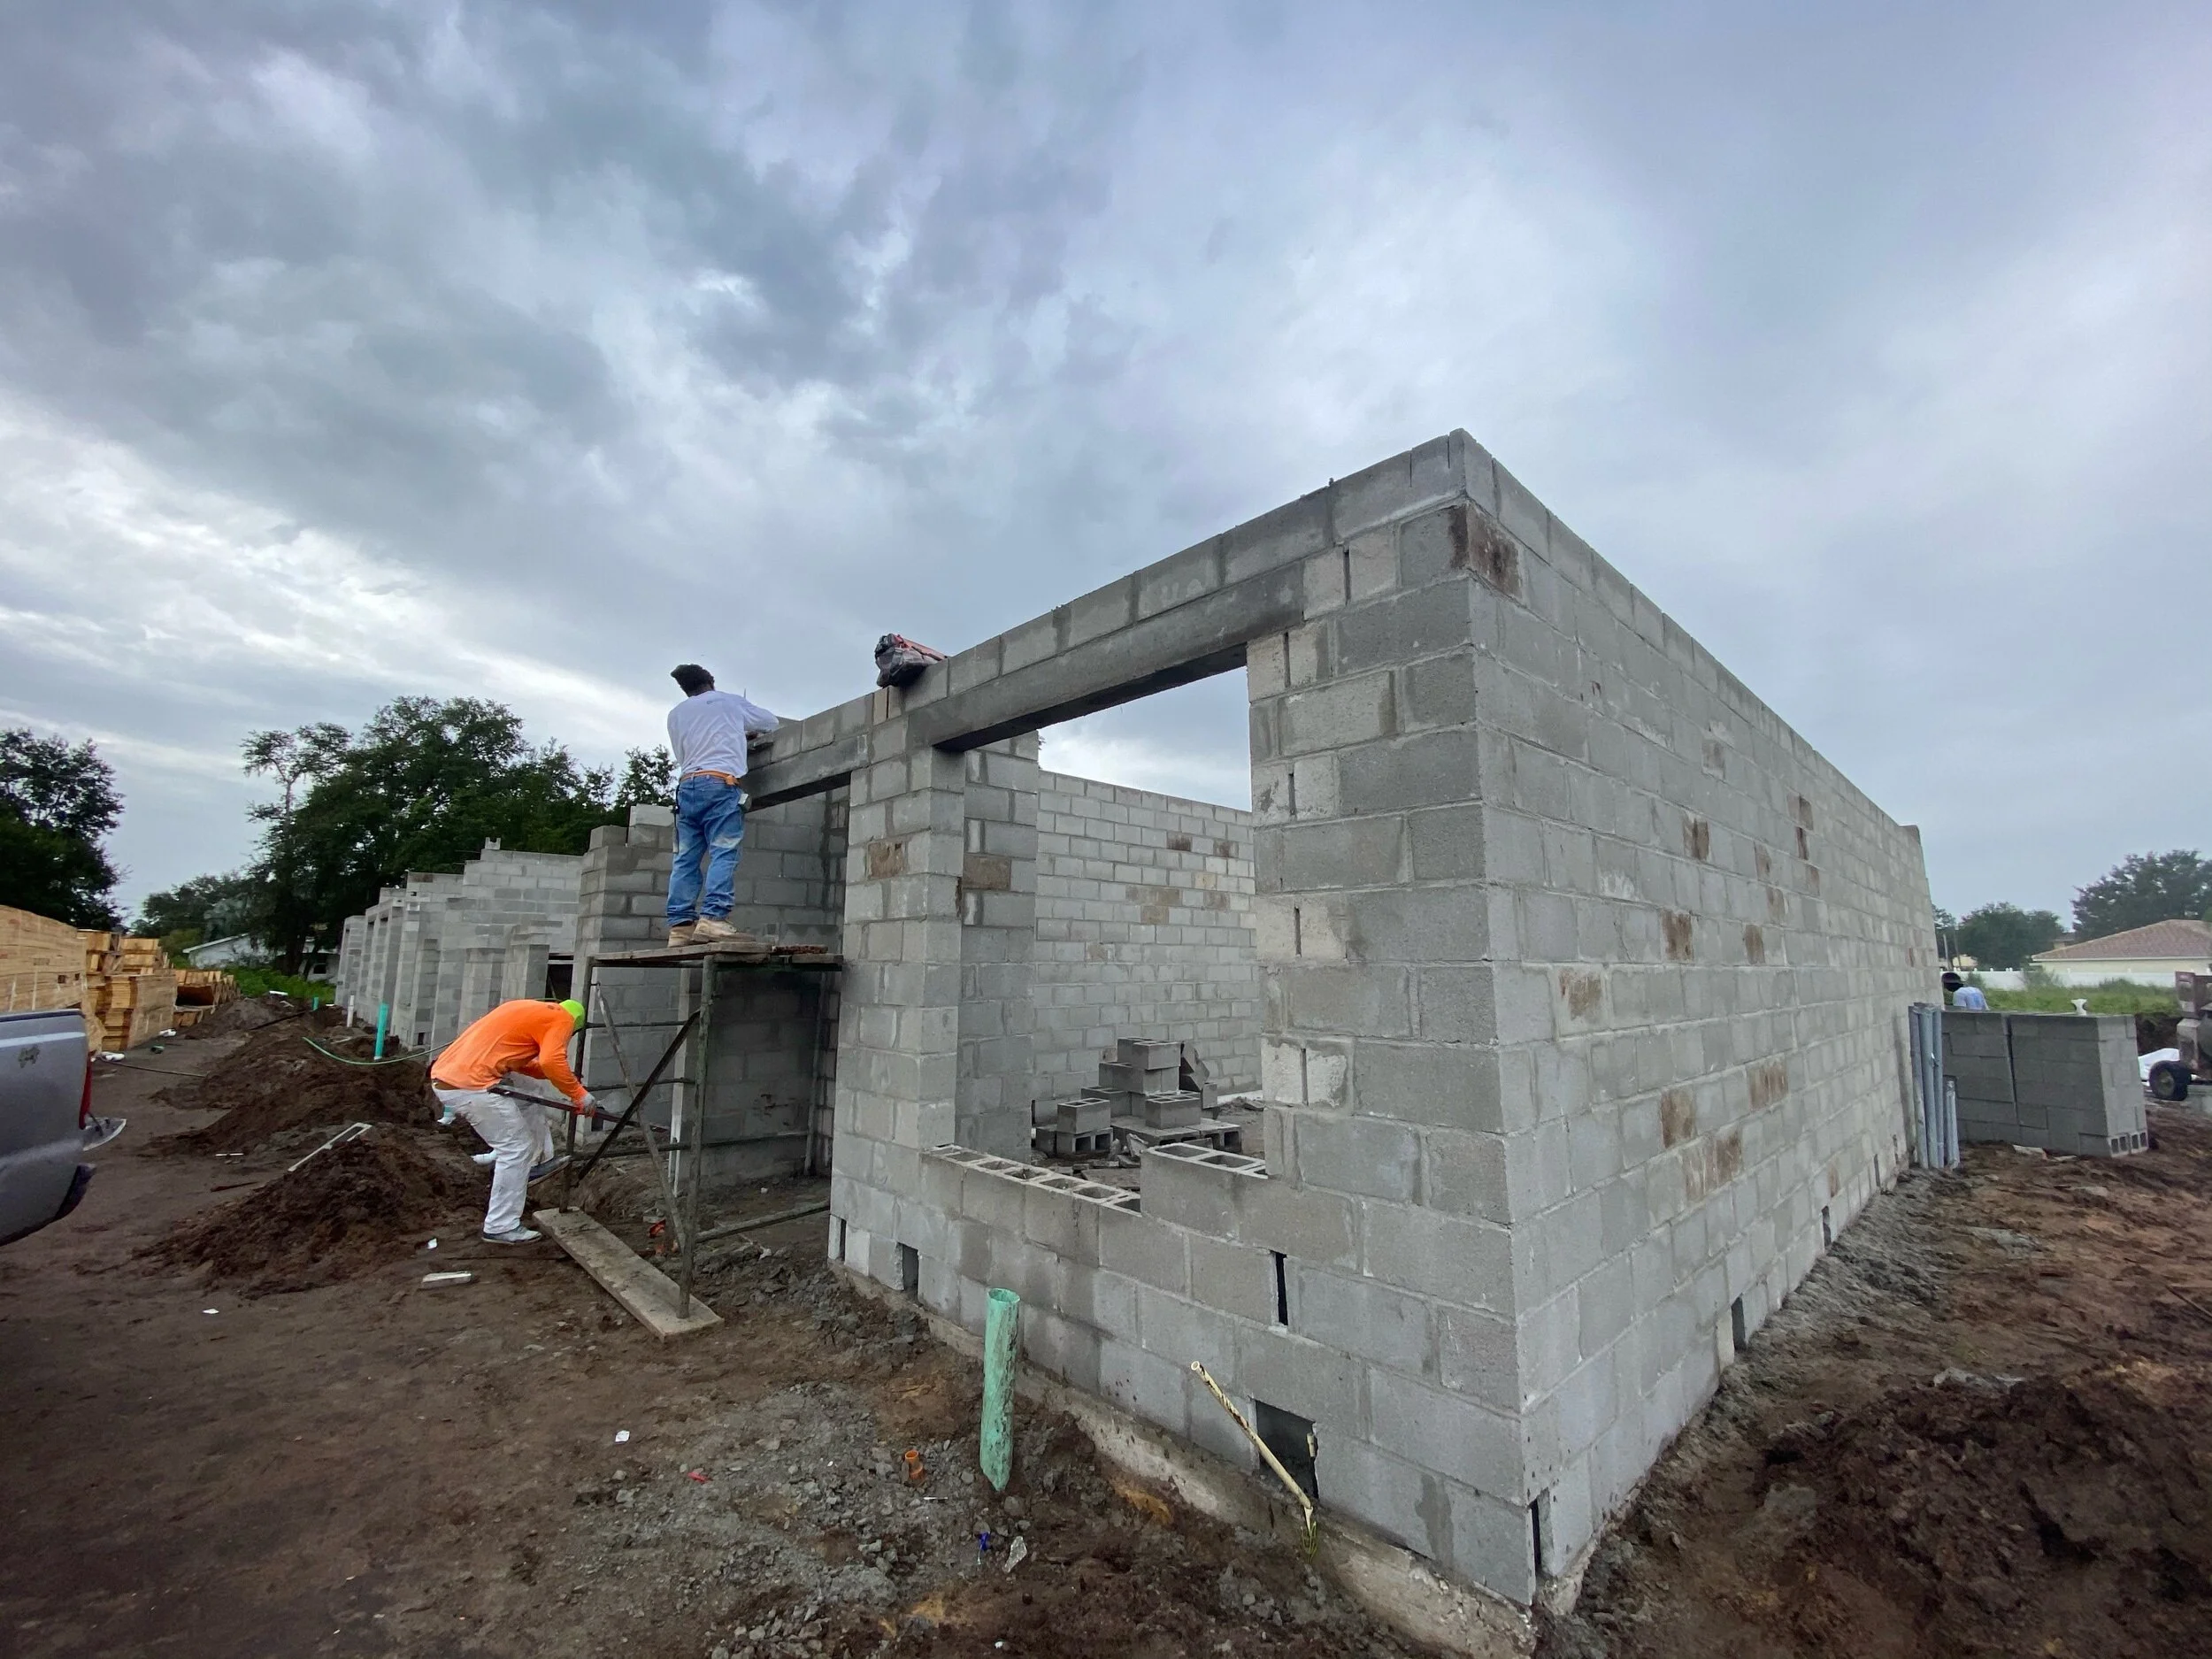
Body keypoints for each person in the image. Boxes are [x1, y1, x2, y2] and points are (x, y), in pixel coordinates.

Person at [430, 997, 599, 1244]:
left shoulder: (528, 1010)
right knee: (516, 1149)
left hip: (451, 1076)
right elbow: (551, 1060)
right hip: (469, 1085)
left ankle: (538, 1161)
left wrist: (562, 1076)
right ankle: (501, 1225)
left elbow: (522, 1062)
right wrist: (579, 1094)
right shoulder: (562, 1018)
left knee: (531, 1094)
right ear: (575, 1025)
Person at [664, 662, 780, 947]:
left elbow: (687, 750)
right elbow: (770, 723)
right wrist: (740, 733)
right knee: (724, 851)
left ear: (685, 689)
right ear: (711, 682)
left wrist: (732, 734)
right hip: (719, 783)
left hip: (687, 786)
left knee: (685, 858)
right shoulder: (728, 701)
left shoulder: (676, 714)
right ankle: (713, 919)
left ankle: (680, 928)